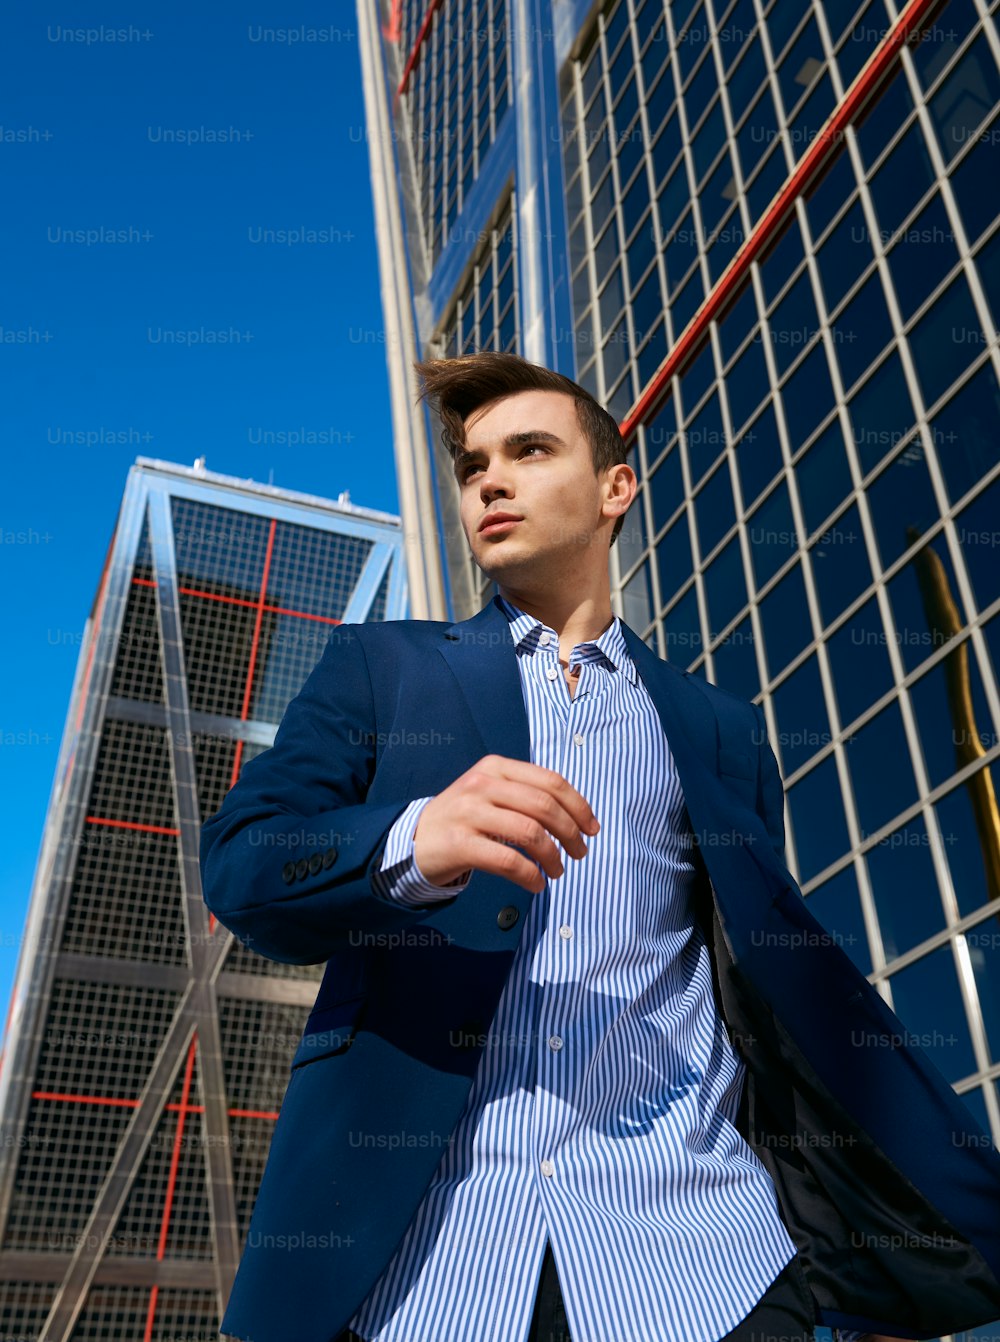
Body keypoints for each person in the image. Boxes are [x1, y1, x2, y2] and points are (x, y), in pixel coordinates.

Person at [200, 352, 1000, 1342]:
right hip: (423, 1271)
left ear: (615, 487)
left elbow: (753, 979)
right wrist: (411, 838)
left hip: (715, 1268)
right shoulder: (381, 668)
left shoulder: (719, 729)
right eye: (472, 464)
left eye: (528, 451)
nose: (487, 479)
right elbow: (242, 861)